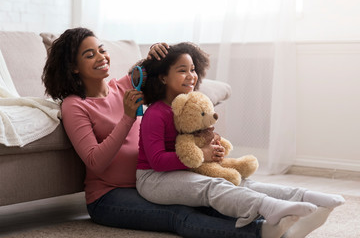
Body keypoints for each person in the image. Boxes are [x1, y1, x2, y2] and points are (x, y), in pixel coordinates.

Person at [41, 27, 305, 238]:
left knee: (206, 198)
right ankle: (260, 232)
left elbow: (157, 69)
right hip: (108, 196)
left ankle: (271, 217)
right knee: (179, 214)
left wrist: (155, 51)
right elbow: (94, 161)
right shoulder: (74, 105)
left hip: (151, 180)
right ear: (73, 67)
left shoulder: (121, 86)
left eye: (101, 50)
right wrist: (127, 118)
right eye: (90, 55)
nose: (101, 57)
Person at [135, 42, 346, 238]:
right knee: (212, 186)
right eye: (182, 70)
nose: (191, 75)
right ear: (163, 77)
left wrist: (211, 149)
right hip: (153, 179)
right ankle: (270, 208)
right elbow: (158, 161)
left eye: (192, 69)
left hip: (184, 170)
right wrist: (202, 155)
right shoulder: (156, 113)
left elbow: (194, 144)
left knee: (242, 182)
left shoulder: (190, 107)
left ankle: (305, 197)